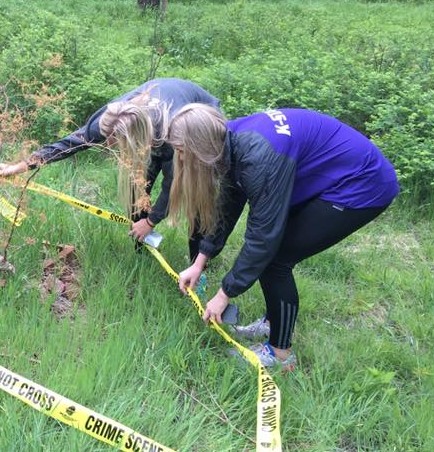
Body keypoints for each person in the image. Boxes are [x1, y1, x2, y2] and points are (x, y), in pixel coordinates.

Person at [168, 104, 399, 370]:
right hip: (328, 176)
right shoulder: (228, 139)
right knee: (273, 255)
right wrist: (200, 261)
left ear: (201, 144)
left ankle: (280, 354)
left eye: (182, 151)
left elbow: (263, 238)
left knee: (276, 261)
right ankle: (272, 324)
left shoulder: (258, 157)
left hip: (361, 184)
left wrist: (225, 292)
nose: (181, 159)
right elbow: (228, 208)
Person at [0, 78, 221, 258]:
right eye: (107, 141)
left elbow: (174, 185)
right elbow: (69, 144)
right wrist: (22, 165)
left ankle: (198, 263)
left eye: (115, 144)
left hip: (197, 118)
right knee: (136, 188)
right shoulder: (113, 119)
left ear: (136, 139)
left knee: (198, 196)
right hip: (150, 129)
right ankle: (141, 251)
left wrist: (152, 220)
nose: (109, 147)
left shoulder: (172, 136)